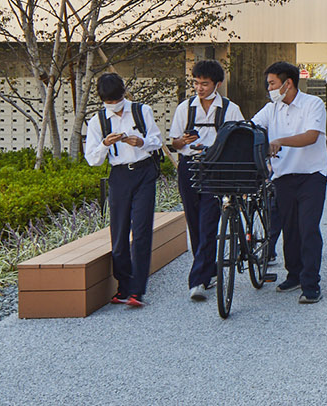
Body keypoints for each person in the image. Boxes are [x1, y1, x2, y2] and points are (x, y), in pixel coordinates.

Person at [250, 61, 327, 304]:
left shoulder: (312, 104)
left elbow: (311, 136)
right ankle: (294, 275)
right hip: (283, 176)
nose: (269, 88)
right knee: (290, 231)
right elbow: (252, 126)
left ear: (288, 83)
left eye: (272, 83)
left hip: (312, 176)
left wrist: (280, 141)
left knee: (308, 228)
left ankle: (311, 283)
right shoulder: (271, 109)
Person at [83, 72, 162, 308]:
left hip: (144, 171)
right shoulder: (98, 120)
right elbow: (92, 160)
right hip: (118, 176)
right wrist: (105, 144)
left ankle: (137, 291)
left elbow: (157, 141)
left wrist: (141, 142)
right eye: (108, 102)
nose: (113, 106)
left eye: (116, 100)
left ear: (123, 93)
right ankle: (123, 287)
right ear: (102, 99)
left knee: (141, 232)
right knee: (118, 234)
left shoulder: (141, 110)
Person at [168, 59, 243, 302]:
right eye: (196, 83)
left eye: (205, 84)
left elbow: (240, 138)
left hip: (216, 168)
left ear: (217, 84)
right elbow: (174, 143)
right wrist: (183, 142)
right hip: (189, 165)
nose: (199, 88)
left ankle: (197, 280)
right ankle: (208, 270)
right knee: (194, 220)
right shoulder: (185, 108)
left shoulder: (230, 109)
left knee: (208, 220)